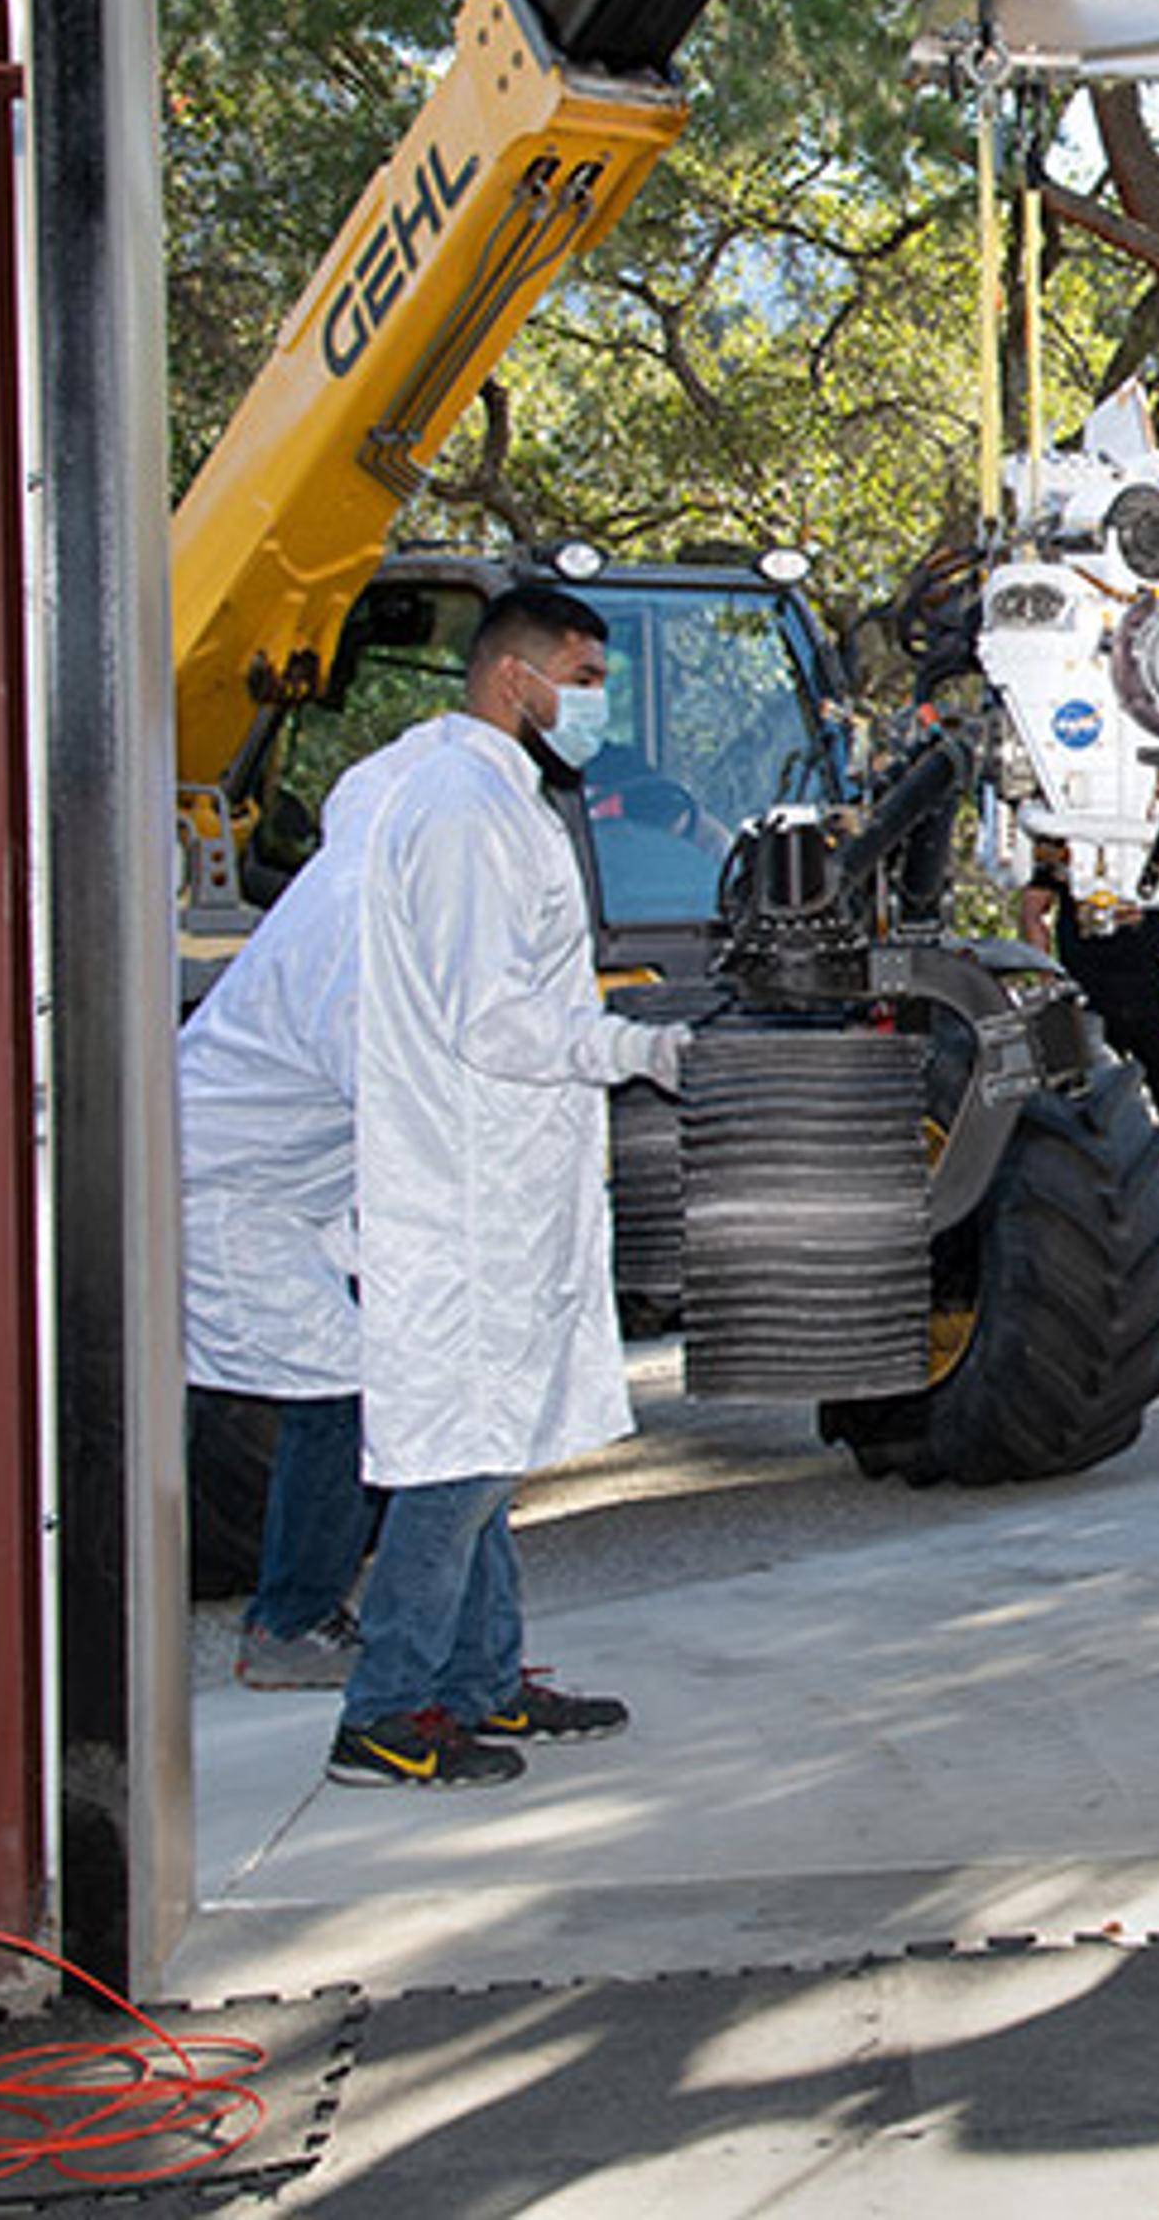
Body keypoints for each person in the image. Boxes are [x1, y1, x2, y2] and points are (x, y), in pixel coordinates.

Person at [331, 585, 688, 1791]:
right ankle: (384, 1712)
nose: (593, 700)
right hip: (464, 1185)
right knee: (460, 1456)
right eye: (582, 674)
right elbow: (493, 1013)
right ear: (512, 676)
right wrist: (630, 1046)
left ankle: (482, 1680)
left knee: (491, 1443)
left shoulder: (495, 793)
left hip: (504, 1176)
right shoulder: (463, 807)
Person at [178, 721, 446, 1689]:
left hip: (285, 1192)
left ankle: (307, 1605)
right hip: (230, 1197)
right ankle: (288, 1621)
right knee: (344, 1389)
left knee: (346, 1383)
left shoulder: (363, 892)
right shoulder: (358, 917)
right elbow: (388, 1081)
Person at [1022, 834, 1159, 1258]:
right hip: (1083, 997)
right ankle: (1082, 1233)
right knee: (1073, 1115)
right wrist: (1047, 984)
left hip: (1153, 996)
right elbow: (1033, 911)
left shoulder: (1153, 832)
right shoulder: (1063, 836)